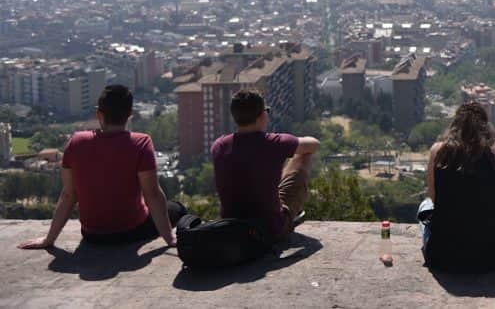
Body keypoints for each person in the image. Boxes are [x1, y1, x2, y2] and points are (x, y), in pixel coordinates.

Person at [18, 84, 183, 249]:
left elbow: (69, 195)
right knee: (177, 209)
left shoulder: (76, 142)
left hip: (92, 235)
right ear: (130, 114)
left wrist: (49, 239)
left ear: (99, 114)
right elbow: (152, 194)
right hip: (131, 231)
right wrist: (169, 238)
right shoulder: (141, 143)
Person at [419, 102, 495, 273]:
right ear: (485, 126)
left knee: (425, 205)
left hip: (443, 255)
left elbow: (434, 199)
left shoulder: (437, 151)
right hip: (491, 256)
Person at [211, 90, 319, 242]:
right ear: (262, 115)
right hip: (270, 228)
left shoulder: (219, 145)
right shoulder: (274, 143)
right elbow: (314, 144)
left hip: (231, 226)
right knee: (303, 155)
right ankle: (289, 215)